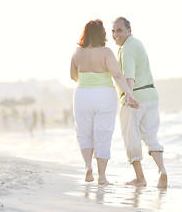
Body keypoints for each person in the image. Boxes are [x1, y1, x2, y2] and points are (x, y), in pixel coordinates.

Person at [70, 19, 140, 185]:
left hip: (82, 96)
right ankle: (101, 177)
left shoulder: (77, 52)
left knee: (84, 132)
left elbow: (73, 76)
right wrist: (129, 94)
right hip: (104, 96)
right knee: (103, 134)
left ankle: (88, 167)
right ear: (102, 34)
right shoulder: (106, 52)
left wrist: (88, 79)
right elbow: (117, 75)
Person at [112, 17, 167, 188]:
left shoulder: (127, 48)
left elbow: (129, 75)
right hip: (151, 95)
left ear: (129, 31)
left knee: (131, 138)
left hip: (135, 97)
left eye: (119, 30)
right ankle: (162, 170)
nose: (115, 34)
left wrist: (129, 96)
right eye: (113, 31)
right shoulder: (138, 43)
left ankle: (140, 178)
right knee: (151, 136)